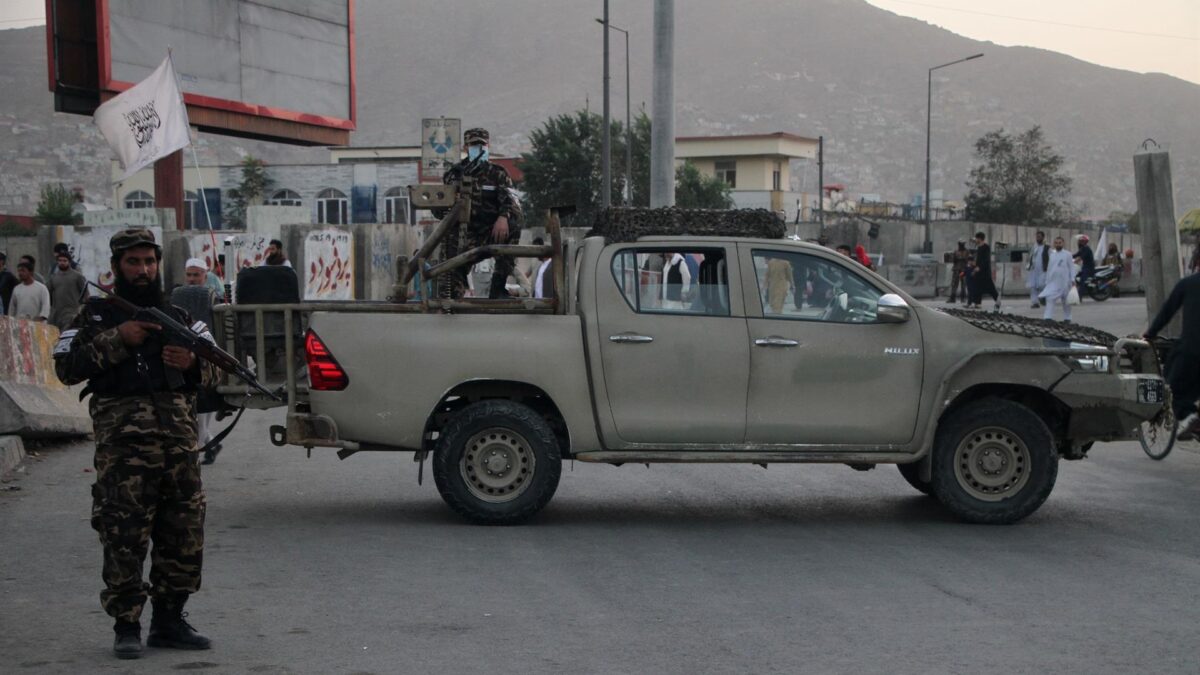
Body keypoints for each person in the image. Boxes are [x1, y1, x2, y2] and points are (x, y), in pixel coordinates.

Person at [53, 229, 219, 659]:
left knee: (183, 538)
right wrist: (118, 339)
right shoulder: (92, 317)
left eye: (149, 261)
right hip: (123, 454)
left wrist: (194, 363)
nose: (143, 270)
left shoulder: (181, 317)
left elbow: (224, 372)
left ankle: (169, 621)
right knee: (123, 536)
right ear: (117, 267)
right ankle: (126, 625)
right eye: (133, 262)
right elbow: (66, 368)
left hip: (180, 452)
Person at [436, 127, 520, 299]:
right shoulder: (454, 174)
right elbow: (440, 209)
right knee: (449, 266)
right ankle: (451, 299)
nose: (479, 149)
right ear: (465, 148)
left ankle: (498, 287)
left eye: (482, 145)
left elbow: (511, 201)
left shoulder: (498, 173)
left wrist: (503, 217)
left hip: (491, 231)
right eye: (474, 145)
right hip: (462, 234)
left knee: (514, 224)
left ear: (488, 145)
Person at [1145, 272, 1200, 435]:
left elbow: (1167, 311)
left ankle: (1190, 419)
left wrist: (1150, 333)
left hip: (1192, 351)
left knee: (1170, 390)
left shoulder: (1188, 283)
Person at [182, 258, 223, 463]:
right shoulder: (177, 297)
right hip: (185, 366)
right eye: (189, 275)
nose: (192, 279)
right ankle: (211, 445)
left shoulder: (214, 300)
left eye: (196, 275)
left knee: (200, 420)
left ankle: (195, 459)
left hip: (208, 368)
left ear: (204, 277)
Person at [47, 251, 87, 330]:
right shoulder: (53, 278)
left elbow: (85, 295)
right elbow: (48, 294)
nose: (62, 263)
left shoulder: (77, 276)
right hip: (57, 315)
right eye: (60, 260)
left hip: (72, 314)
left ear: (69, 262)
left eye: (64, 261)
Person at [1039, 236, 1075, 322]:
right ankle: (1047, 317)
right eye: (1056, 243)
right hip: (1053, 282)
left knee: (1066, 302)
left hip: (1065, 282)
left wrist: (1073, 279)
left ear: (1063, 243)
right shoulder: (1052, 255)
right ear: (1054, 244)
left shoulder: (1068, 254)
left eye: (1060, 243)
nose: (1058, 244)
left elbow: (1071, 268)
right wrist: (1047, 281)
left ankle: (1067, 318)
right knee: (1050, 298)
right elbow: (1049, 268)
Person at [969, 231, 1000, 311]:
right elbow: (978, 260)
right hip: (978, 272)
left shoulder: (986, 247)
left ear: (980, 238)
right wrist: (974, 265)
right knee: (977, 287)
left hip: (985, 272)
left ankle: (997, 300)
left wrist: (979, 267)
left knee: (991, 288)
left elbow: (986, 260)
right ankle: (977, 303)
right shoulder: (978, 247)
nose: (975, 240)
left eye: (976, 238)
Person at [1027, 231, 1049, 309]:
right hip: (1033, 270)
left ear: (1043, 237)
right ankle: (1035, 302)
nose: (1037, 238)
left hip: (1043, 270)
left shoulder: (1047, 248)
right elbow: (1030, 257)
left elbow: (1051, 258)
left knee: (1041, 285)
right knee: (1033, 287)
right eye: (1037, 237)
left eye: (1039, 237)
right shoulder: (1034, 247)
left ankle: (1043, 298)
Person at [1074, 234, 1095, 300]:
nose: (1079, 242)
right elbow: (1075, 255)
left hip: (1089, 268)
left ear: (1085, 242)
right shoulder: (1082, 249)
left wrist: (1074, 261)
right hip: (1084, 267)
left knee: (1082, 281)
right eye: (1079, 241)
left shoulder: (1086, 249)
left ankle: (1079, 297)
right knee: (1077, 277)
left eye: (1081, 241)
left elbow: (1081, 257)